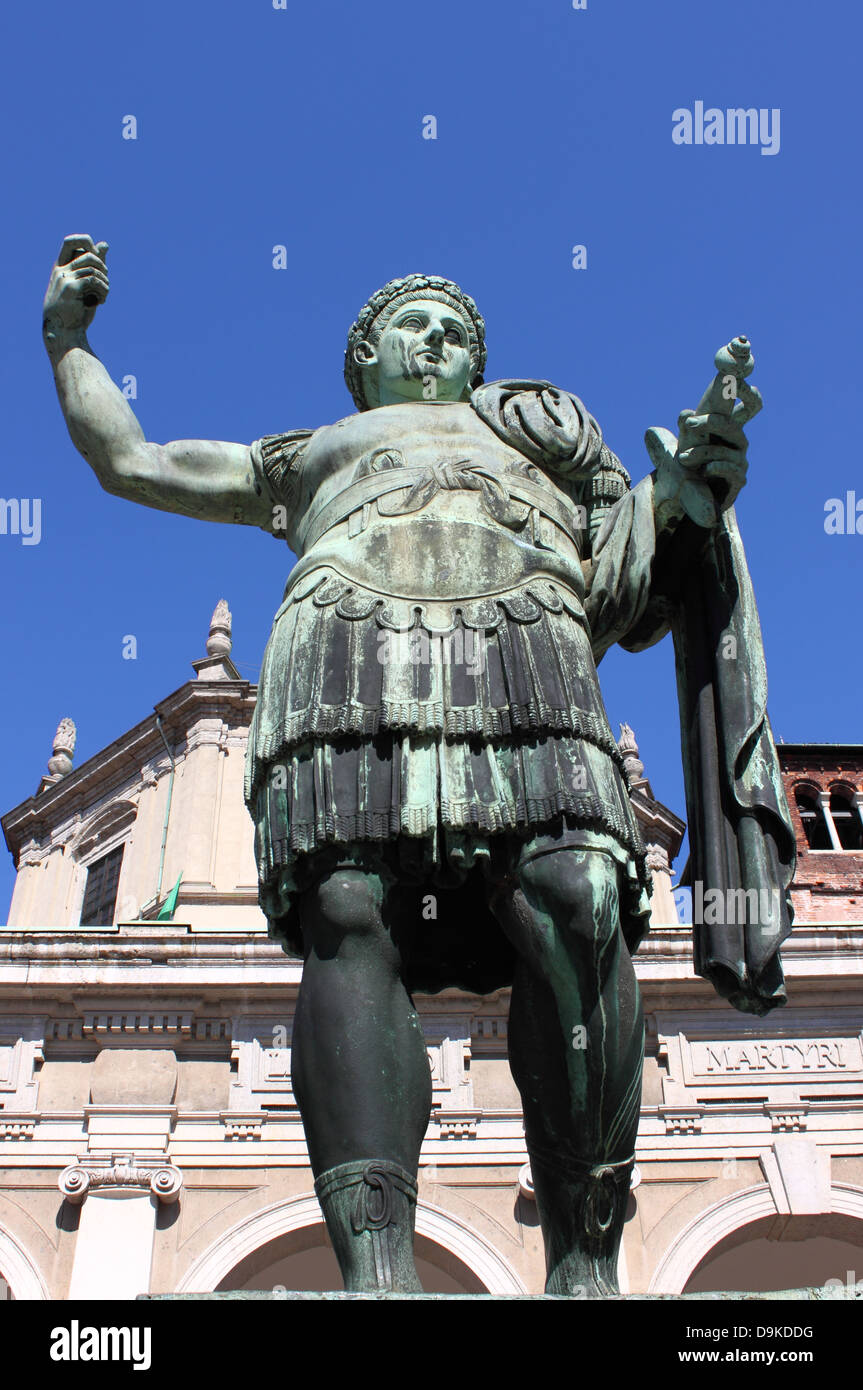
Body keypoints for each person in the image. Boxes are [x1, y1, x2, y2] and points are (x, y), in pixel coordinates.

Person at [43, 235, 785, 1296]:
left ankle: (584, 1255)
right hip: (349, 654)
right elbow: (135, 461)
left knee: (575, 890)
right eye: (414, 326)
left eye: (456, 332)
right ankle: (376, 1272)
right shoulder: (313, 453)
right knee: (348, 910)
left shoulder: (536, 437)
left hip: (526, 646)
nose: (437, 341)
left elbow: (624, 569)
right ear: (367, 359)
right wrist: (69, 342)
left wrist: (679, 495)